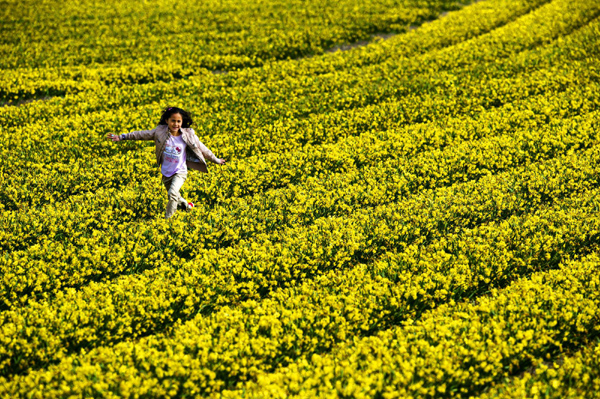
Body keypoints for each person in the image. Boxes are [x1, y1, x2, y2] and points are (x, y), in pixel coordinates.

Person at [107, 106, 226, 219]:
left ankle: (168, 219)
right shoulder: (160, 132)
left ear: (182, 122)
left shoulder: (188, 135)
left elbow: (202, 149)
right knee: (175, 196)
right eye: (173, 121)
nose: (176, 124)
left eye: (179, 121)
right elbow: (141, 134)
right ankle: (187, 205)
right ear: (167, 121)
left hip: (180, 172)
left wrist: (216, 160)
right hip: (166, 173)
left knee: (172, 193)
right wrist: (122, 137)